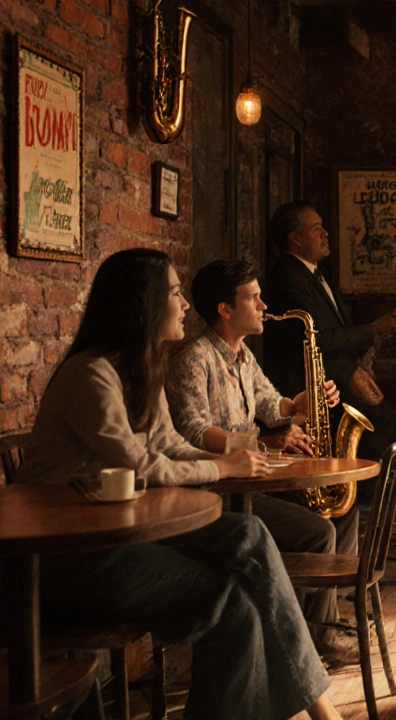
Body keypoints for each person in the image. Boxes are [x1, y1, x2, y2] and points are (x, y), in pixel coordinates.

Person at [16, 248, 344, 720]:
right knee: (236, 608)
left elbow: (170, 444)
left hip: (123, 533)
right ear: (144, 304)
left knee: (247, 533)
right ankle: (320, 707)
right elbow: (140, 464)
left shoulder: (139, 369)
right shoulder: (91, 374)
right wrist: (223, 468)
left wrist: (237, 457)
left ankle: (318, 706)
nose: (186, 304)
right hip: (70, 558)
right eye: (174, 292)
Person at [166, 258, 359, 667]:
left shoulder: (243, 356)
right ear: (225, 308)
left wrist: (303, 402)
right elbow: (194, 431)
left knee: (344, 512)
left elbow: (273, 404)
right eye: (252, 297)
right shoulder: (194, 358)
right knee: (318, 531)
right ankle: (307, 645)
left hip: (250, 480)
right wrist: (267, 439)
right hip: (216, 491)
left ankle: (309, 628)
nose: (262, 304)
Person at [261, 200, 396, 463]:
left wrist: (362, 362)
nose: (325, 233)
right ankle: (364, 500)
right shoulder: (287, 277)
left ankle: (368, 498)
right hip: (320, 392)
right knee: (391, 428)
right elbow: (316, 339)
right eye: (316, 228)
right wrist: (375, 329)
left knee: (395, 426)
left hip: (337, 385)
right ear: (294, 239)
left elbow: (335, 331)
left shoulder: (312, 273)